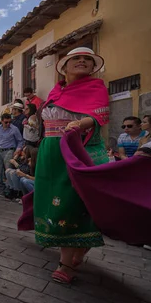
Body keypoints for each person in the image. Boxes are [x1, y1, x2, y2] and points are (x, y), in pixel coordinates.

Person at [32, 47, 109, 284]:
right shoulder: (56, 92)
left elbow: (98, 117)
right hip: (51, 154)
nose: (83, 61)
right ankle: (76, 250)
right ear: (64, 66)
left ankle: (67, 262)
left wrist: (79, 125)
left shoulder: (96, 88)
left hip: (78, 150)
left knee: (74, 203)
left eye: (87, 59)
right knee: (56, 202)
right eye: (77, 58)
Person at [0, 113, 24, 195]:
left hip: (9, 150)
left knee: (8, 170)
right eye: (6, 122)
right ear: (1, 121)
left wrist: (17, 150)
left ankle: (8, 190)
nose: (8, 124)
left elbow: (20, 141)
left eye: (10, 122)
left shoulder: (14, 129)